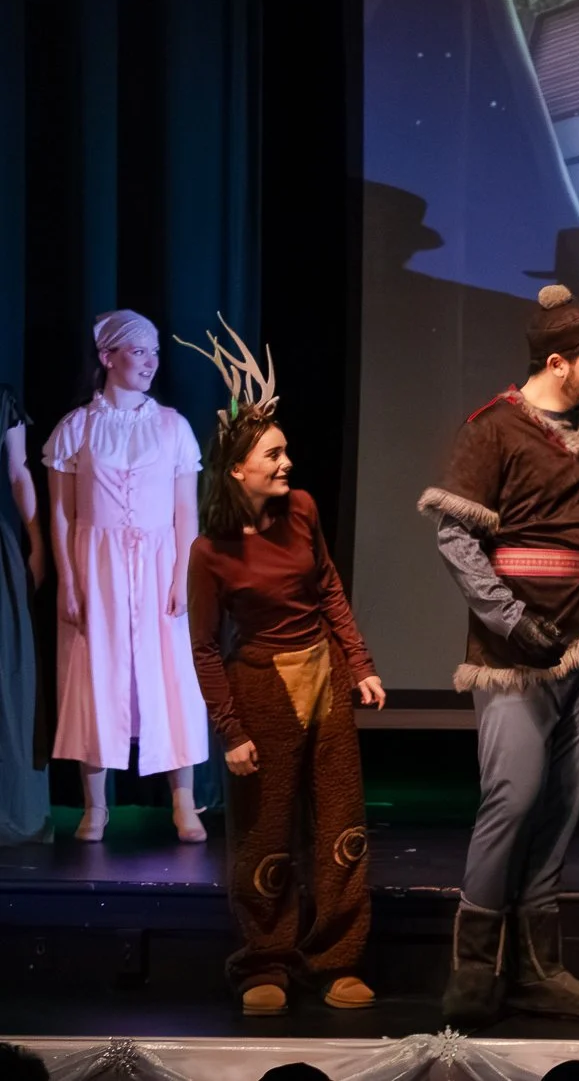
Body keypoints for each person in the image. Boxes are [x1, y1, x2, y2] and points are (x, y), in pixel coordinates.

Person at [418, 285, 579, 1025]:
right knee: (514, 796)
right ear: (557, 363)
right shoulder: (493, 429)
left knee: (559, 808)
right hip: (516, 650)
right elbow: (456, 538)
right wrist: (510, 617)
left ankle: (537, 968)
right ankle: (471, 973)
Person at [180, 321, 385, 1016]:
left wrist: (359, 663)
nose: (288, 461)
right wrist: (231, 729)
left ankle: (337, 957)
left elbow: (328, 587)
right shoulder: (210, 550)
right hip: (262, 685)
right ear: (239, 468)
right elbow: (205, 646)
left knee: (339, 824)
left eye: (286, 449)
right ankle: (264, 960)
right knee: (266, 832)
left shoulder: (301, 510)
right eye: (274, 453)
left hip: (323, 676)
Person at [43, 310, 210, 843]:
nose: (150, 362)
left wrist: (184, 576)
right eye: (138, 351)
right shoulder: (77, 428)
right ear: (107, 357)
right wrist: (68, 580)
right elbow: (62, 514)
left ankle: (184, 802)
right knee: (96, 672)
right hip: (98, 564)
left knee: (170, 674)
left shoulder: (173, 426)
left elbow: (188, 513)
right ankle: (96, 806)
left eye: (154, 352)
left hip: (161, 564)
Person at [1, 385, 51, 845]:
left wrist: (37, 544)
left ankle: (13, 808)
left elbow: (19, 473)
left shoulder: (3, 400)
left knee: (6, 675)